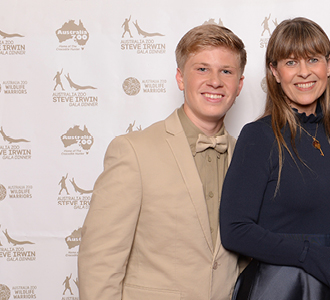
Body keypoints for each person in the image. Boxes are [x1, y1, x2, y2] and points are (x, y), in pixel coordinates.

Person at [78, 24, 247, 300]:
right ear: (181, 78)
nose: (215, 81)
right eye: (202, 69)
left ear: (239, 84)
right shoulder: (133, 151)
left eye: (226, 71)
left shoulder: (246, 158)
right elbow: (99, 261)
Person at [219, 17, 330, 300]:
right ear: (275, 71)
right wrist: (310, 255)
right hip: (280, 286)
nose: (304, 72)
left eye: (313, 59)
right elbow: (235, 230)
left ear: (329, 65)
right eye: (291, 62)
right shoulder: (259, 136)